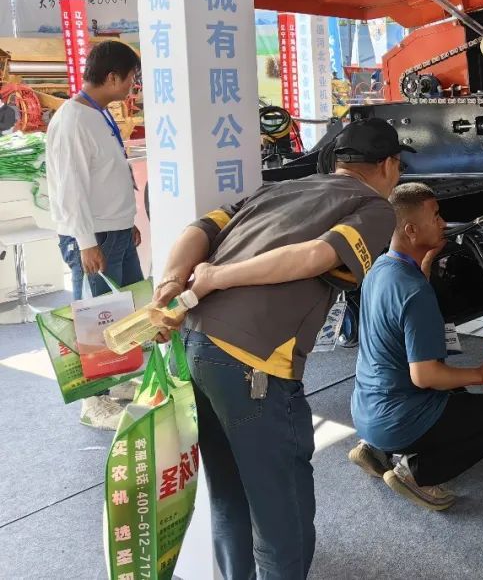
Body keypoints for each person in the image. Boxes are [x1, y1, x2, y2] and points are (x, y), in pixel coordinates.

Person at [150, 118, 409, 580]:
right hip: (251, 363)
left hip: (193, 342)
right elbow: (315, 256)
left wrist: (171, 282)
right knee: (280, 513)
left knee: (229, 493)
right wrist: (215, 277)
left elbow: (199, 228)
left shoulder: (277, 189)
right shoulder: (373, 206)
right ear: (389, 165)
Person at [348, 182, 483, 512]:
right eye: (436, 216)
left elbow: (401, 310)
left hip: (366, 413)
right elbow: (425, 376)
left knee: (457, 394)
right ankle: (416, 473)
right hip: (398, 419)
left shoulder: (381, 269)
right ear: (411, 230)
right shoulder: (414, 292)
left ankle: (374, 450)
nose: (443, 223)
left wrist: (424, 265)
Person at [45, 40, 143, 428]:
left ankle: (117, 379)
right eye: (131, 78)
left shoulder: (97, 113)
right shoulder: (72, 120)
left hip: (114, 230)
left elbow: (107, 175)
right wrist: (86, 242)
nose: (133, 86)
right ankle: (93, 400)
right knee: (94, 318)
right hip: (94, 237)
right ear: (112, 77)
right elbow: (70, 189)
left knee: (124, 314)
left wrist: (127, 220)